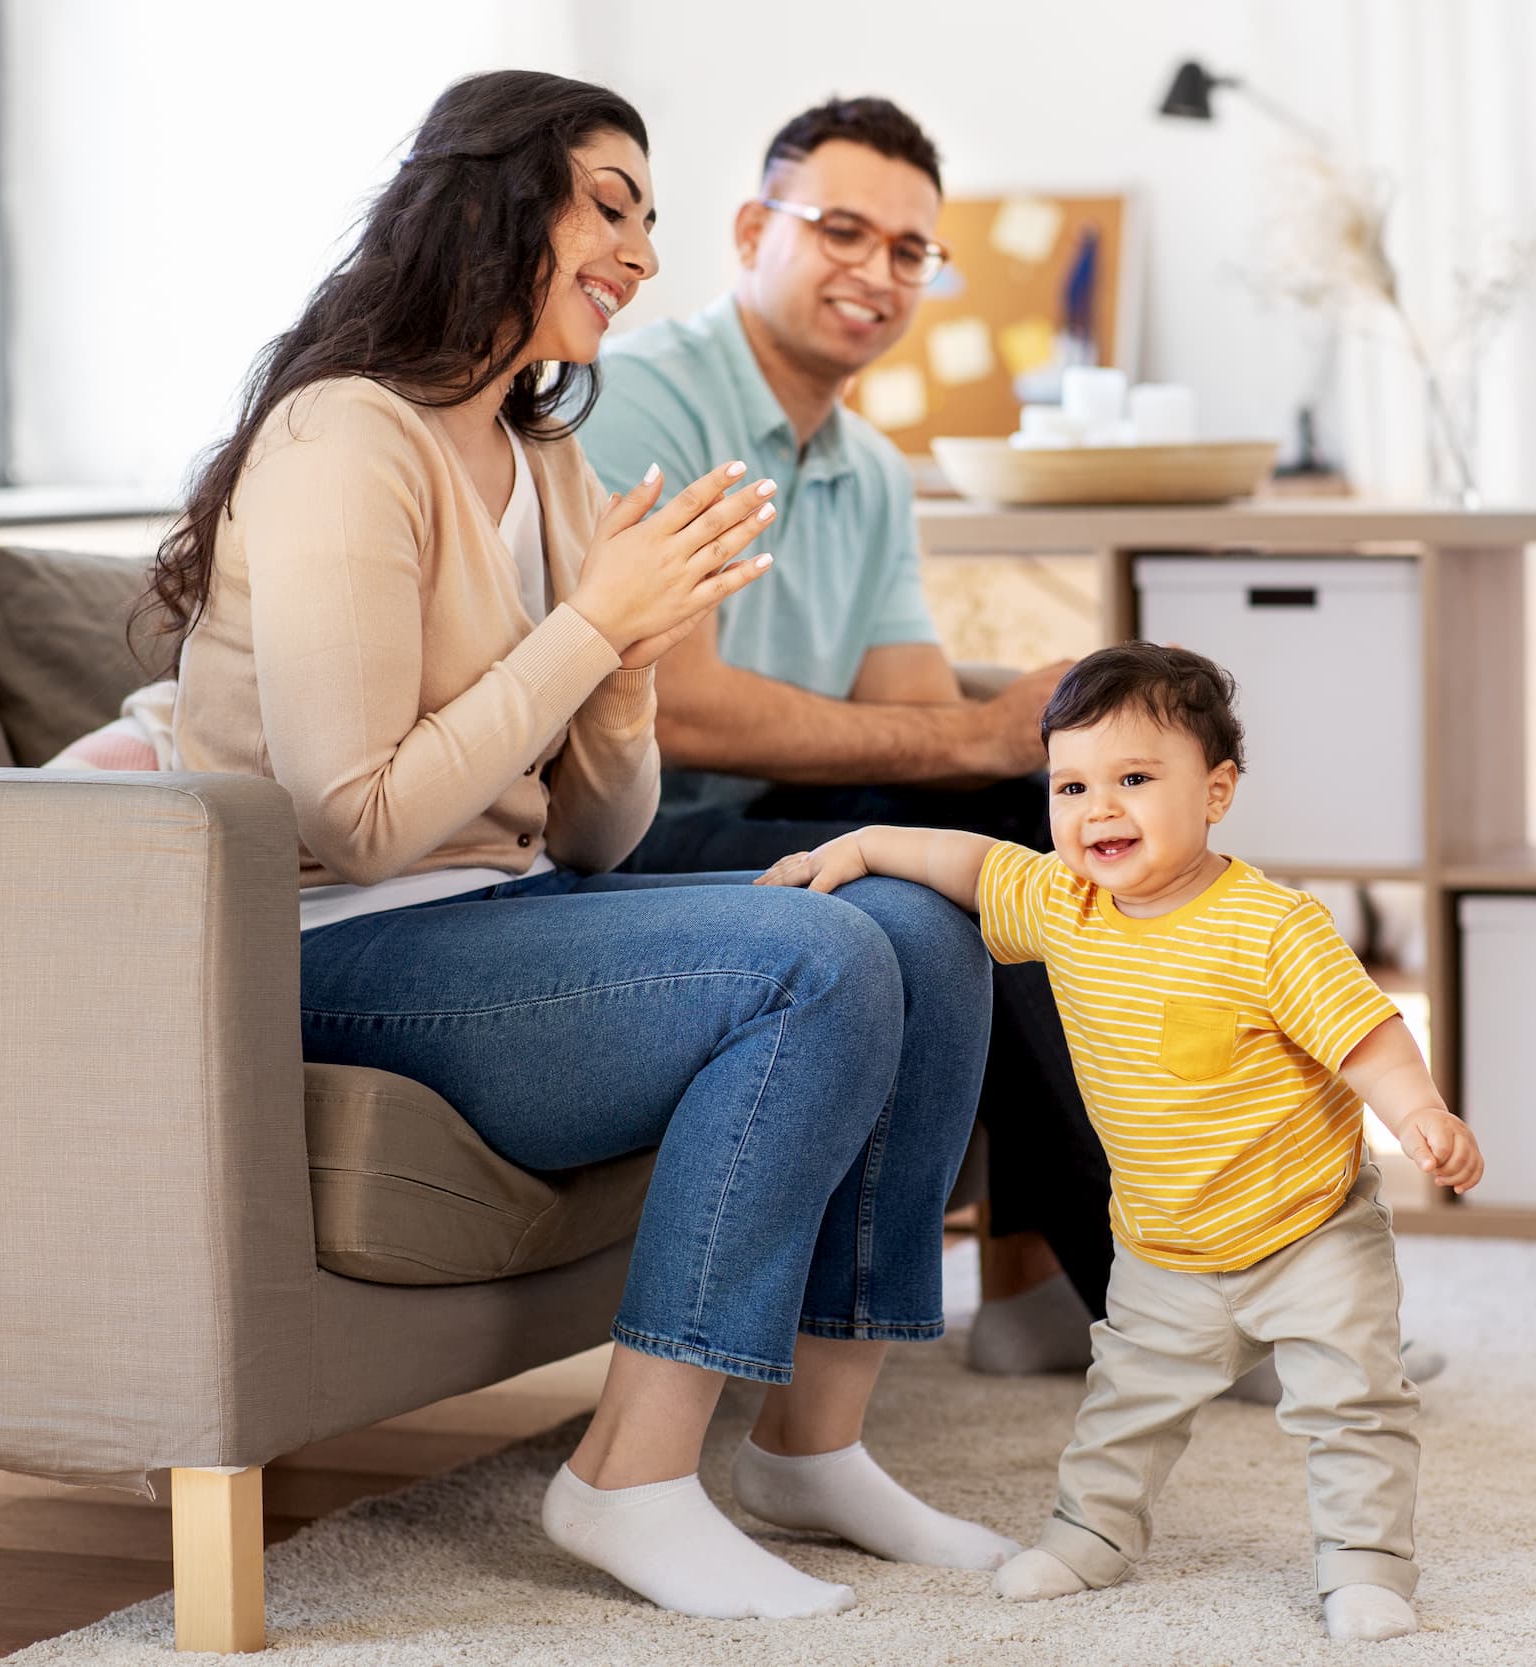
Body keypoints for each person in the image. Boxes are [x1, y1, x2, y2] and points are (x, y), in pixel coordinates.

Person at [147, 69, 1015, 1623]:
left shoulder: (543, 452)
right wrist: (590, 624)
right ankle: (627, 1473)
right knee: (813, 960)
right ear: (491, 205)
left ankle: (813, 1443)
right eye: (608, 206)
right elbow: (352, 813)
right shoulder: (348, 436)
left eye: (648, 218)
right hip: (330, 941)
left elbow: (601, 838)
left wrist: (622, 666)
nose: (638, 250)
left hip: (504, 908)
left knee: (920, 914)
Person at [756, 644, 1484, 1643]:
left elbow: (1365, 1032)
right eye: (1071, 784)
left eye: (1135, 779)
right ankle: (1092, 1533)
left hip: (1307, 1228)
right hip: (1161, 1241)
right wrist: (869, 843)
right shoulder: (1066, 902)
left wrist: (1419, 1113)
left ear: (1216, 789)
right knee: (1125, 1406)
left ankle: (1364, 1564)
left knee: (1352, 1404)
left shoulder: (1272, 927)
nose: (1099, 809)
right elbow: (971, 861)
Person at [576, 95, 1119, 1372]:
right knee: (974, 845)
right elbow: (680, 702)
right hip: (627, 823)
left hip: (765, 815)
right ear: (754, 229)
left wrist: (1037, 742)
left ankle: (1117, 1271)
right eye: (842, 231)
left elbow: (920, 709)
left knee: (1052, 828)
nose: (877, 272)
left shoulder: (868, 466)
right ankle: (1152, 1292)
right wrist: (975, 739)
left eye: (910, 250)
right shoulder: (640, 404)